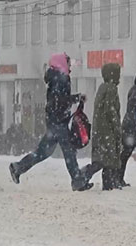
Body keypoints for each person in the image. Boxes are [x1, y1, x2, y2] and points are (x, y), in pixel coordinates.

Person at [9, 52, 91, 191]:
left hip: (55, 120)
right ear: (62, 64)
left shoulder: (56, 77)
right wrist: (76, 98)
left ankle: (18, 168)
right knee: (68, 150)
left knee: (43, 152)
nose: (70, 66)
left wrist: (74, 99)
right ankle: (77, 180)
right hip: (58, 121)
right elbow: (59, 100)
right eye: (68, 63)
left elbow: (58, 99)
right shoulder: (60, 78)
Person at [77, 63, 123, 191]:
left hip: (100, 129)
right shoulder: (111, 89)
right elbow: (111, 110)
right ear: (113, 75)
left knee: (104, 159)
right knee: (106, 159)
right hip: (106, 130)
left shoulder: (102, 88)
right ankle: (83, 177)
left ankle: (105, 183)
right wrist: (117, 127)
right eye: (118, 73)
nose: (119, 76)